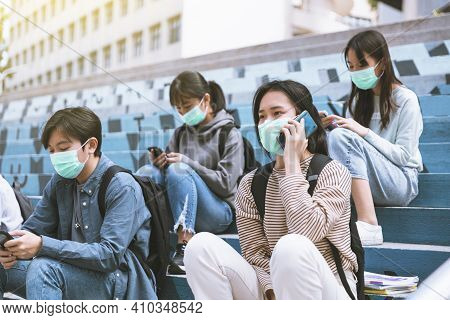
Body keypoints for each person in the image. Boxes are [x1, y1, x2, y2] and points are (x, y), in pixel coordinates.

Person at [184, 80, 358, 300]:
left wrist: (291, 166)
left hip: (330, 288)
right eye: (261, 116)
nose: (267, 123)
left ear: (303, 120)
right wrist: (273, 290)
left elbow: (305, 233)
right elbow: (254, 255)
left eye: (277, 113)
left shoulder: (332, 171)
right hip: (273, 290)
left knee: (290, 246)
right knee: (199, 246)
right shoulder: (250, 184)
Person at [0, 107, 156, 300]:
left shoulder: (122, 186)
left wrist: (42, 245)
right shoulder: (60, 182)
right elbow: (33, 228)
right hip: (69, 271)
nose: (57, 156)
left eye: (63, 149)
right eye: (52, 151)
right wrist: (11, 247)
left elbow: (109, 256)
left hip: (117, 283)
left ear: (90, 145)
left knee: (44, 269)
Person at [137, 71, 245, 275]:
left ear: (206, 99)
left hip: (219, 211)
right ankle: (143, 240)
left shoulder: (229, 133)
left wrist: (188, 163)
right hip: (186, 204)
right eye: (179, 109)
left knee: (179, 169)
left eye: (187, 107)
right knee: (147, 172)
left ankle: (184, 246)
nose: (184, 113)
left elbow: (226, 184)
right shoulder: (181, 133)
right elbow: (170, 172)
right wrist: (161, 163)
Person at [322, 30, 423, 246]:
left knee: (343, 137)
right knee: (331, 137)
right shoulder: (358, 103)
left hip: (401, 181)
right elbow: (351, 155)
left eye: (362, 64)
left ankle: (369, 223)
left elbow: (404, 157)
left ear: (382, 63)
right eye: (351, 66)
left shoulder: (406, 100)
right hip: (367, 181)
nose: (355, 71)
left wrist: (364, 132)